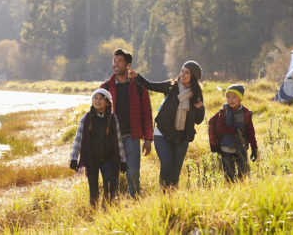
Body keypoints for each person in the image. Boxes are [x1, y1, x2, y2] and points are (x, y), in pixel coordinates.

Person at [129, 60, 205, 188]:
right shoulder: (171, 86)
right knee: (166, 163)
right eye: (182, 71)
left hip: (182, 137)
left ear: (194, 76)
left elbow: (198, 120)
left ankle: (171, 197)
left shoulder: (196, 95)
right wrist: (137, 77)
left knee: (175, 171)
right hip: (162, 133)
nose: (183, 74)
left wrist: (200, 108)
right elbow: (150, 85)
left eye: (187, 72)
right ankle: (163, 193)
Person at [101, 48, 153, 198]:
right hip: (112, 140)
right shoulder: (105, 88)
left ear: (128, 65)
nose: (115, 65)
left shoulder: (139, 87)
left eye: (119, 61)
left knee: (133, 174)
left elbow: (147, 114)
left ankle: (135, 202)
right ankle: (111, 206)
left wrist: (148, 139)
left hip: (132, 137)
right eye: (114, 61)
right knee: (111, 177)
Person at [69, 88, 127, 206]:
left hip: (108, 159)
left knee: (110, 187)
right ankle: (93, 212)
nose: (97, 101)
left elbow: (118, 141)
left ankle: (107, 210)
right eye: (95, 98)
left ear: (107, 102)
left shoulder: (113, 119)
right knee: (93, 190)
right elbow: (78, 139)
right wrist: (74, 158)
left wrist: (123, 160)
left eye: (101, 98)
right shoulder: (86, 118)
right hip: (91, 160)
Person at [215, 84, 258, 182]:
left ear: (241, 98)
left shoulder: (246, 113)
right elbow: (219, 128)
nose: (231, 100)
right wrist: (232, 130)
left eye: (234, 97)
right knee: (229, 176)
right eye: (228, 97)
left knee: (243, 174)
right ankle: (229, 192)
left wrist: (254, 148)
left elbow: (251, 132)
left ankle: (241, 192)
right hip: (226, 148)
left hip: (241, 148)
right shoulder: (223, 112)